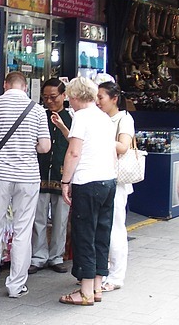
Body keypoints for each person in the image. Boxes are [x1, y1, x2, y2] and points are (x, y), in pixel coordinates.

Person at [0, 71, 51, 298]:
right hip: (28, 176)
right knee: (22, 230)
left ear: (5, 85)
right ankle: (16, 286)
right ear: (25, 88)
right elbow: (45, 146)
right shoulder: (37, 109)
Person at [58, 76, 117, 306]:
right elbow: (112, 152)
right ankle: (97, 286)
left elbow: (74, 153)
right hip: (108, 180)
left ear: (74, 96)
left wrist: (65, 181)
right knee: (101, 234)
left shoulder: (81, 117)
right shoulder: (104, 118)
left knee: (84, 235)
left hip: (88, 182)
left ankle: (84, 291)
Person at [30, 78, 73, 275]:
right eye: (45, 97)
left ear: (64, 96)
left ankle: (56, 256)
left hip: (63, 174)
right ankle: (38, 257)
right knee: (38, 218)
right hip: (38, 173)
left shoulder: (72, 118)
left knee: (60, 218)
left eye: (53, 97)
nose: (49, 101)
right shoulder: (39, 116)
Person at [97, 81, 133, 292]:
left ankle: (116, 276)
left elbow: (123, 147)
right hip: (102, 176)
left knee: (116, 228)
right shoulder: (101, 118)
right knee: (103, 227)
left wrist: (100, 139)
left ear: (114, 98)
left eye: (101, 97)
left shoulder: (124, 119)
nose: (98, 102)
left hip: (118, 180)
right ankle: (102, 271)